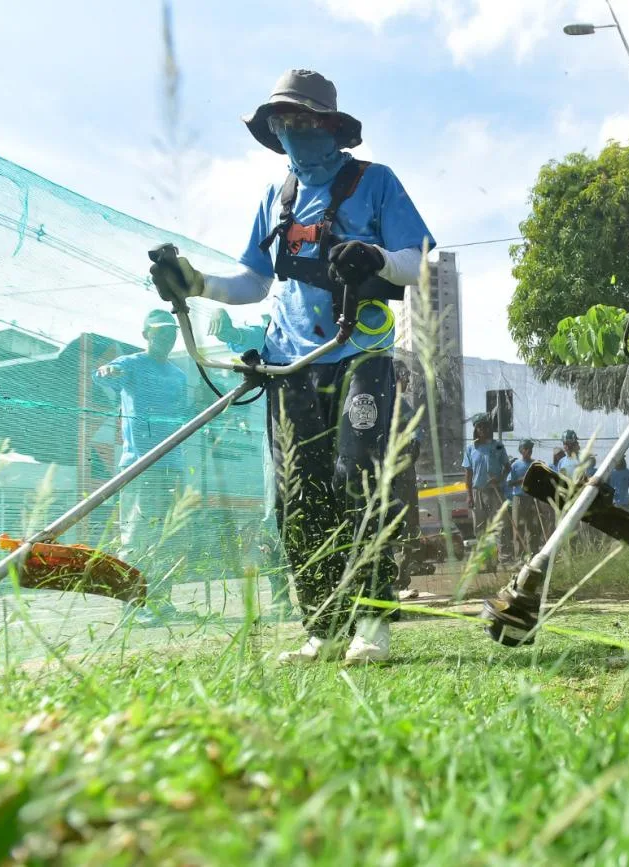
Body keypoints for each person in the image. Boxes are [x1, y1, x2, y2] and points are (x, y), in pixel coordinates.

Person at [147, 69, 434, 663]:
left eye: (303, 119)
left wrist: (375, 256)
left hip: (359, 353)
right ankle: (323, 628)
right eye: (282, 122)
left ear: (332, 128)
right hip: (289, 362)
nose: (292, 130)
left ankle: (372, 625)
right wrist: (196, 283)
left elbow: (417, 258)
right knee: (297, 495)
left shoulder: (375, 183)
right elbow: (253, 280)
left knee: (360, 480)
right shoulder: (275, 198)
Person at [93, 309, 190, 623]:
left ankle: (161, 600)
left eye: (171, 332)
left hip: (172, 462)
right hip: (140, 464)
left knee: (167, 535)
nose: (167, 337)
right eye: (160, 332)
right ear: (146, 334)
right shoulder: (131, 364)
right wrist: (107, 371)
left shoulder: (178, 375)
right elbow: (104, 373)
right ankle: (133, 605)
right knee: (137, 534)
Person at [211, 310, 294, 617]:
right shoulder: (273, 328)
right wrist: (229, 331)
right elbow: (244, 338)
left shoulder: (341, 318)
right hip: (280, 434)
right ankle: (281, 593)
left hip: (327, 426)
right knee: (276, 513)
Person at [392, 361, 424, 596]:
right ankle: (396, 578)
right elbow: (415, 432)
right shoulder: (394, 404)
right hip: (397, 472)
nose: (408, 383)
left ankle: (398, 577)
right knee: (403, 522)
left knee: (402, 522)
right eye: (406, 378)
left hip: (395, 470)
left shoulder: (396, 405)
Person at [463, 414, 510, 570]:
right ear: (476, 429)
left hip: (494, 491)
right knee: (480, 529)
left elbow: (507, 467)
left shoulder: (497, 446)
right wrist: (469, 495)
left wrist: (500, 478)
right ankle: (487, 562)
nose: (482, 429)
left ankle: (503, 560)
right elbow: (468, 474)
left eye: (485, 426)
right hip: (477, 492)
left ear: (490, 428)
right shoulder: (471, 448)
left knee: (499, 526)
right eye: (479, 426)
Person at [507, 439, 544, 557]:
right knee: (518, 526)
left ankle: (533, 551)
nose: (529, 451)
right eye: (526, 448)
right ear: (521, 450)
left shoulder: (535, 464)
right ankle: (520, 554)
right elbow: (509, 482)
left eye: (530, 449)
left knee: (532, 525)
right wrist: (521, 480)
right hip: (519, 498)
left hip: (532, 498)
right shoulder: (515, 465)